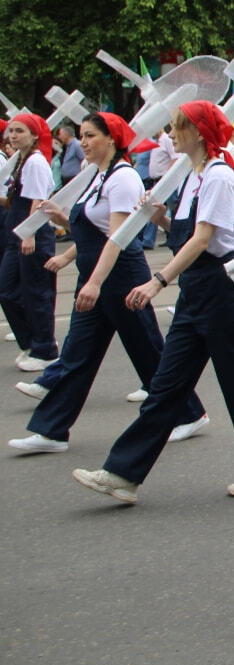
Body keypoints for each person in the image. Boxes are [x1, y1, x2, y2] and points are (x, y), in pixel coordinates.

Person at [71, 100, 234, 504]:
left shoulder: (220, 176)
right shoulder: (193, 175)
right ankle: (122, 473)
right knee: (165, 388)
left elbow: (204, 240)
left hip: (223, 291)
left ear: (199, 131)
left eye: (178, 127)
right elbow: (186, 232)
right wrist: (159, 218)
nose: (171, 134)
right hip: (196, 294)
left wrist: (157, 281)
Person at [8, 113, 207, 454]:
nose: (83, 142)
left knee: (149, 351)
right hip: (98, 277)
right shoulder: (97, 176)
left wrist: (94, 283)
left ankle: (189, 413)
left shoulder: (124, 179)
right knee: (77, 356)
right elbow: (90, 232)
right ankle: (51, 430)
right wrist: (62, 227)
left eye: (90, 136)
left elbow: (116, 238)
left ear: (111, 140)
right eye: (81, 136)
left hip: (120, 278)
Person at [0, 114, 60, 372]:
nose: (13, 136)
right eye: (11, 131)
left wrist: (30, 234)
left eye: (20, 131)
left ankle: (45, 348)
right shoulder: (21, 160)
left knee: (36, 292)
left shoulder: (35, 161)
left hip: (31, 235)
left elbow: (37, 200)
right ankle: (32, 341)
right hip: (18, 232)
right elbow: (16, 199)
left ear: (35, 135)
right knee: (8, 288)